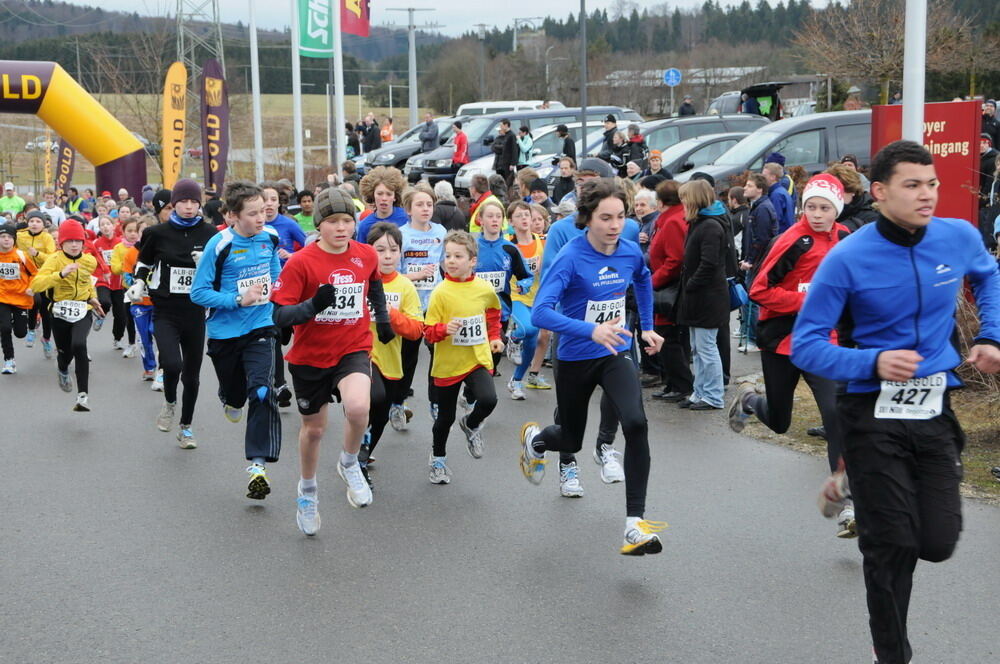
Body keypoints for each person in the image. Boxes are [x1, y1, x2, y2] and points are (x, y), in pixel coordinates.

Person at [791, 140, 1000, 664]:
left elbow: (989, 273)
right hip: (870, 416)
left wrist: (991, 335)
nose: (927, 195)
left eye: (931, 183)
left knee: (937, 542)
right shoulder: (848, 258)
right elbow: (808, 343)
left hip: (933, 412)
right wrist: (872, 362)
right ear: (880, 192)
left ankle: (846, 482)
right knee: (892, 546)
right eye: (913, 185)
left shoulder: (956, 236)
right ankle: (893, 654)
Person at [519, 177, 665, 554]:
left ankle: (635, 524)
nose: (615, 225)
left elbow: (644, 281)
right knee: (570, 438)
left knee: (635, 422)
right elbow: (541, 312)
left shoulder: (630, 251)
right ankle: (536, 441)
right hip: (574, 359)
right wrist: (590, 330)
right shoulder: (571, 256)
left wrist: (647, 327)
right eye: (605, 218)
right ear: (588, 218)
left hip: (614, 352)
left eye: (620, 216)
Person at [728, 173, 854, 537]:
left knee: (836, 416)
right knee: (781, 421)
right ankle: (750, 400)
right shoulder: (792, 240)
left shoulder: (845, 239)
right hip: (783, 340)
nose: (817, 214)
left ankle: (847, 505)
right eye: (811, 207)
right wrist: (806, 301)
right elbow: (758, 290)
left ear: (837, 210)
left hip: (823, 343)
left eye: (824, 208)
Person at [272, 188, 393, 535]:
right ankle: (307, 492)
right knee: (315, 429)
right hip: (310, 356)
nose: (341, 228)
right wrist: (312, 307)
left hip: (352, 347)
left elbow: (374, 285)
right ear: (320, 225)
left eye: (346, 221)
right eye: (333, 222)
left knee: (358, 408)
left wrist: (381, 318)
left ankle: (349, 462)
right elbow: (279, 315)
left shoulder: (366, 254)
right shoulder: (301, 263)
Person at [191, 180, 283, 500]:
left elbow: (275, 274)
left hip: (261, 327)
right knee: (237, 396)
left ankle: (258, 466)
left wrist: (280, 292)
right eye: (253, 213)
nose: (262, 218)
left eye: (264, 211)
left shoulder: (270, 237)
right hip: (225, 333)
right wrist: (237, 299)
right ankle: (229, 396)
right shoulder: (219, 246)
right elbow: (198, 293)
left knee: (261, 390)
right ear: (232, 216)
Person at [129, 178, 218, 447]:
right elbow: (144, 261)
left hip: (195, 311)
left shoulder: (211, 233)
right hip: (165, 309)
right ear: (174, 204)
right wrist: (139, 282)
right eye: (183, 202)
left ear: (199, 204)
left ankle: (186, 427)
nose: (189, 207)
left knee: (191, 376)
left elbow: (221, 269)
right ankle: (169, 402)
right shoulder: (157, 233)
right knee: (171, 364)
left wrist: (206, 265)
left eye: (193, 202)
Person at [362, 222, 425, 488]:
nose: (387, 256)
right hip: (360, 354)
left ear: (401, 253)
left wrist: (391, 314)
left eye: (393, 250)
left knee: (381, 413)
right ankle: (357, 457)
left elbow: (416, 330)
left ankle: (360, 455)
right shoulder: (359, 280)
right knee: (372, 398)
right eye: (380, 250)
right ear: (368, 251)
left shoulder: (405, 287)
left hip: (391, 358)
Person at [30, 220, 106, 411]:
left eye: (78, 241)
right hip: (59, 312)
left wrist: (93, 298)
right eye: (69, 241)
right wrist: (60, 275)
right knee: (65, 353)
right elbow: (37, 285)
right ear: (61, 243)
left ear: (83, 243)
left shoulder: (89, 260)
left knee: (79, 345)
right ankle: (62, 368)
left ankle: (83, 396)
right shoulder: (54, 260)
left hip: (82, 310)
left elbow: (89, 283)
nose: (74, 245)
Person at [393, 185, 447, 427]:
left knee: (438, 354)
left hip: (435, 303)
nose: (426, 209)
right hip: (410, 304)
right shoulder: (400, 235)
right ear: (408, 209)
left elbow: (447, 263)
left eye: (429, 204)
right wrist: (416, 276)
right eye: (420, 204)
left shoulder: (440, 231)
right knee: (408, 357)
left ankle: (435, 401)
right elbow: (392, 274)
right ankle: (398, 402)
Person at [648, 179, 693, 402]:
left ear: (660, 201)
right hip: (664, 286)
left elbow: (675, 260)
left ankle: (681, 384)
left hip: (668, 289)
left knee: (668, 338)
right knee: (664, 337)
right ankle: (671, 382)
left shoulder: (673, 221)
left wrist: (653, 282)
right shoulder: (669, 218)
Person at [504, 201, 545, 401]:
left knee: (533, 340)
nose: (524, 219)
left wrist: (543, 267)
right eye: (519, 216)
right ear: (511, 221)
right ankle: (513, 337)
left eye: (526, 215)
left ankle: (516, 381)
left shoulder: (541, 241)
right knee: (526, 329)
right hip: (515, 296)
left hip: (537, 297)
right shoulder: (508, 245)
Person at [113, 217, 157, 380]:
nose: (147, 235)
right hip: (139, 303)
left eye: (151, 230)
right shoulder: (132, 253)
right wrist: (135, 285)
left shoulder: (163, 251)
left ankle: (164, 370)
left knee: (157, 332)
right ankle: (149, 368)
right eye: (143, 231)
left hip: (160, 303)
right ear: (139, 234)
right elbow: (126, 277)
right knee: (144, 337)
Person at [739, 173, 779, 351]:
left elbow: (761, 239)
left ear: (760, 189)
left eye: (749, 185)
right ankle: (752, 335)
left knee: (752, 300)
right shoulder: (758, 206)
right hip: (758, 260)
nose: (745, 188)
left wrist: (751, 261)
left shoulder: (762, 208)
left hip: (759, 262)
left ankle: (754, 339)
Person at [93, 215, 135, 356]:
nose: (105, 226)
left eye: (107, 224)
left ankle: (117, 338)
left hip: (119, 281)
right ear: (99, 228)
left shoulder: (120, 243)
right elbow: (93, 261)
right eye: (102, 224)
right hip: (103, 279)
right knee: (104, 301)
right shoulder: (96, 244)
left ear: (113, 226)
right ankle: (100, 315)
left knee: (121, 314)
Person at [17, 211, 55, 357]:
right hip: (27, 275)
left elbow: (52, 258)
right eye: (31, 221)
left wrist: (37, 254)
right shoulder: (20, 235)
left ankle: (46, 338)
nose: (34, 224)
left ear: (43, 224)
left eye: (38, 221)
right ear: (27, 222)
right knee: (34, 300)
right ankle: (31, 329)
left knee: (46, 310)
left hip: (44, 274)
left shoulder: (47, 238)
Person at [0, 223, 36, 375]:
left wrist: (32, 288)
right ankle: (9, 360)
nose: (6, 240)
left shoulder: (21, 256)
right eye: (2, 237)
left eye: (9, 237)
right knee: (5, 328)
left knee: (20, 333)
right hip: (2, 297)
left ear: (14, 239)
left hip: (21, 298)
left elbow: (35, 273)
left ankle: (19, 320)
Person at [356, 166, 410, 243]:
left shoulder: (407, 217)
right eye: (380, 193)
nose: (384, 198)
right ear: (372, 195)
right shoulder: (365, 225)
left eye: (389, 194)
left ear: (395, 196)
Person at [826, 163, 878, 232]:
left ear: (853, 191)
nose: (835, 195)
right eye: (830, 191)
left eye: (840, 190)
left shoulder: (871, 218)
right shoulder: (824, 213)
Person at [763, 162, 795, 232]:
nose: (762, 179)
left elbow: (775, 220)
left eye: (764, 176)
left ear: (773, 177)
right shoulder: (781, 191)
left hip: (781, 235)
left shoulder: (776, 195)